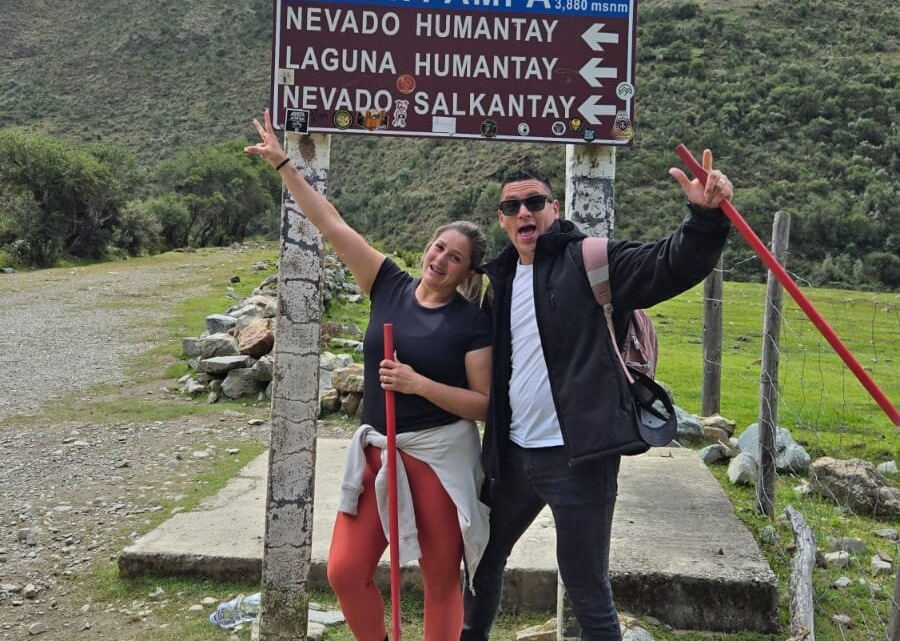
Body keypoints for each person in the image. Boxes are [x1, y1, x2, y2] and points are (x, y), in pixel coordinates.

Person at [461, 150, 734, 641]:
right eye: (512, 207)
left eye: (535, 202)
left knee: (587, 589)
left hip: (579, 460)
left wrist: (705, 218)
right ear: (502, 221)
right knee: (481, 563)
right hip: (512, 455)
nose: (524, 212)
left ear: (555, 208)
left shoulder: (592, 260)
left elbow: (669, 265)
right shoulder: (498, 282)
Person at [246, 111, 493, 641]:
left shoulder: (473, 324)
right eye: (437, 247)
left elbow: (484, 405)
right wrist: (286, 165)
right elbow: (331, 224)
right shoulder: (388, 282)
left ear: (468, 272)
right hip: (378, 449)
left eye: (455, 257)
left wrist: (417, 384)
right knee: (344, 571)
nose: (441, 259)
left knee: (440, 579)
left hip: (438, 453)